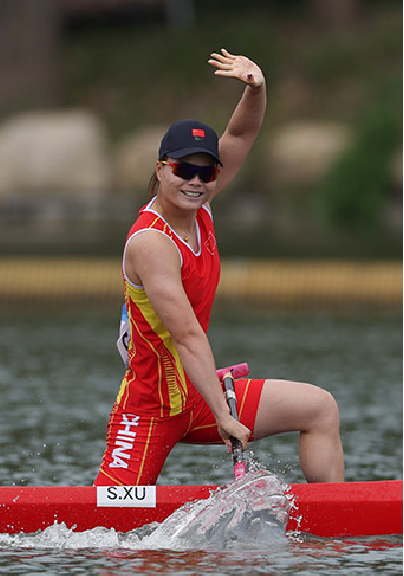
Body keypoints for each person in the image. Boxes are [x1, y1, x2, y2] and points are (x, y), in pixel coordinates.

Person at [94, 49, 344, 486]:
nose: (195, 181)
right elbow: (187, 336)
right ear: (161, 169)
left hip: (200, 390)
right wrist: (224, 416)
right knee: (106, 519)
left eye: (206, 173)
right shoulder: (151, 243)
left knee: (319, 408)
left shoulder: (201, 205)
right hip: (150, 406)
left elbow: (240, 135)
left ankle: (335, 518)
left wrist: (257, 88)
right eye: (184, 169)